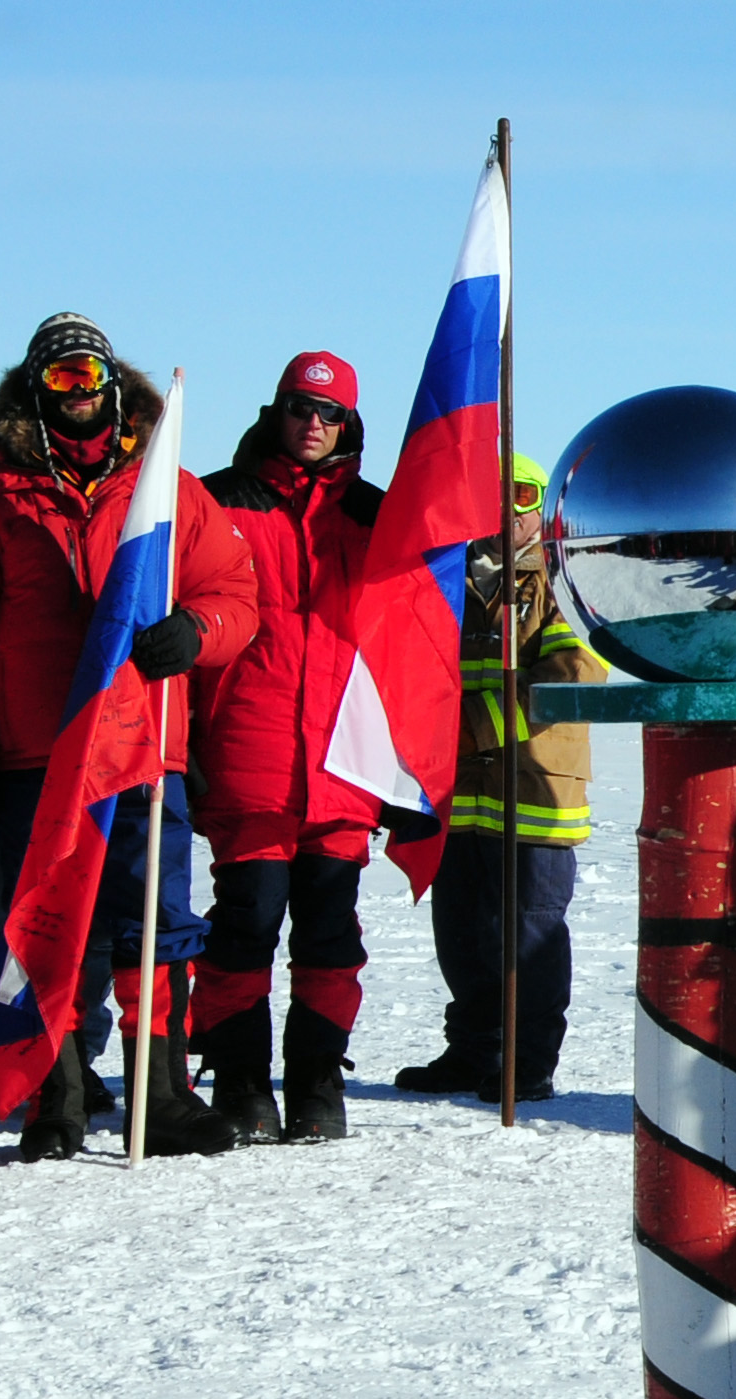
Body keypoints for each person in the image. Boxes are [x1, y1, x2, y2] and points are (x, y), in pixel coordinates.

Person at [0, 312, 262, 1160]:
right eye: (59, 380)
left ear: (116, 388)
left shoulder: (167, 491)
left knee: (158, 921)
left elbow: (235, 594)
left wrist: (195, 631)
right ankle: (52, 1100)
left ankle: (162, 1093)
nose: (78, 395)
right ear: (34, 391)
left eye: (89, 378)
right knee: (44, 922)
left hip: (145, 745)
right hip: (37, 753)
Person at [194, 352, 384, 1143]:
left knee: (331, 928)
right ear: (276, 411)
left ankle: (314, 1081)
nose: (313, 424)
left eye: (329, 414)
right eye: (301, 409)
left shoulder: (380, 516)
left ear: (348, 425)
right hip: (250, 755)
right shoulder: (212, 504)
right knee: (248, 922)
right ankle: (240, 1081)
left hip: (345, 760)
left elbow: (420, 635)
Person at [395, 453, 602, 1102]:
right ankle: (474, 1050)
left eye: (519, 494)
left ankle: (528, 1061)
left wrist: (468, 731)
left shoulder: (570, 582)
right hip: (460, 795)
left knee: (530, 937)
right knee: (463, 934)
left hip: (534, 792)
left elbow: (571, 678)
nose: (505, 509)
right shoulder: (447, 581)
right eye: (490, 492)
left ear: (540, 505)